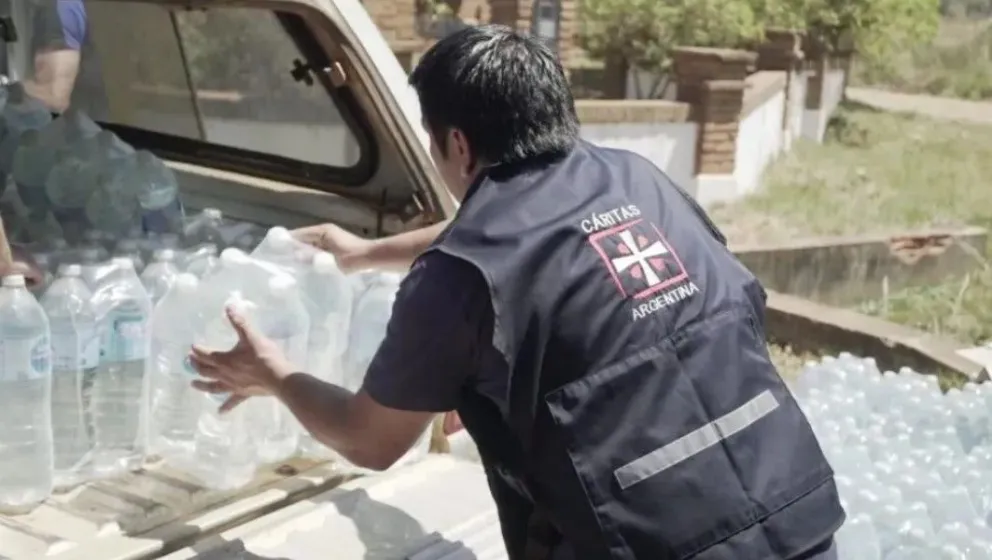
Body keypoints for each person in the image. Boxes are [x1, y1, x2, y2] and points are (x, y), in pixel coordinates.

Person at [188, 25, 844, 559]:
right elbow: (511, 230)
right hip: (797, 517)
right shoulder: (637, 179)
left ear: (457, 144)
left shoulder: (458, 276)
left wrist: (272, 374)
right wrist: (367, 256)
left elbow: (372, 440)